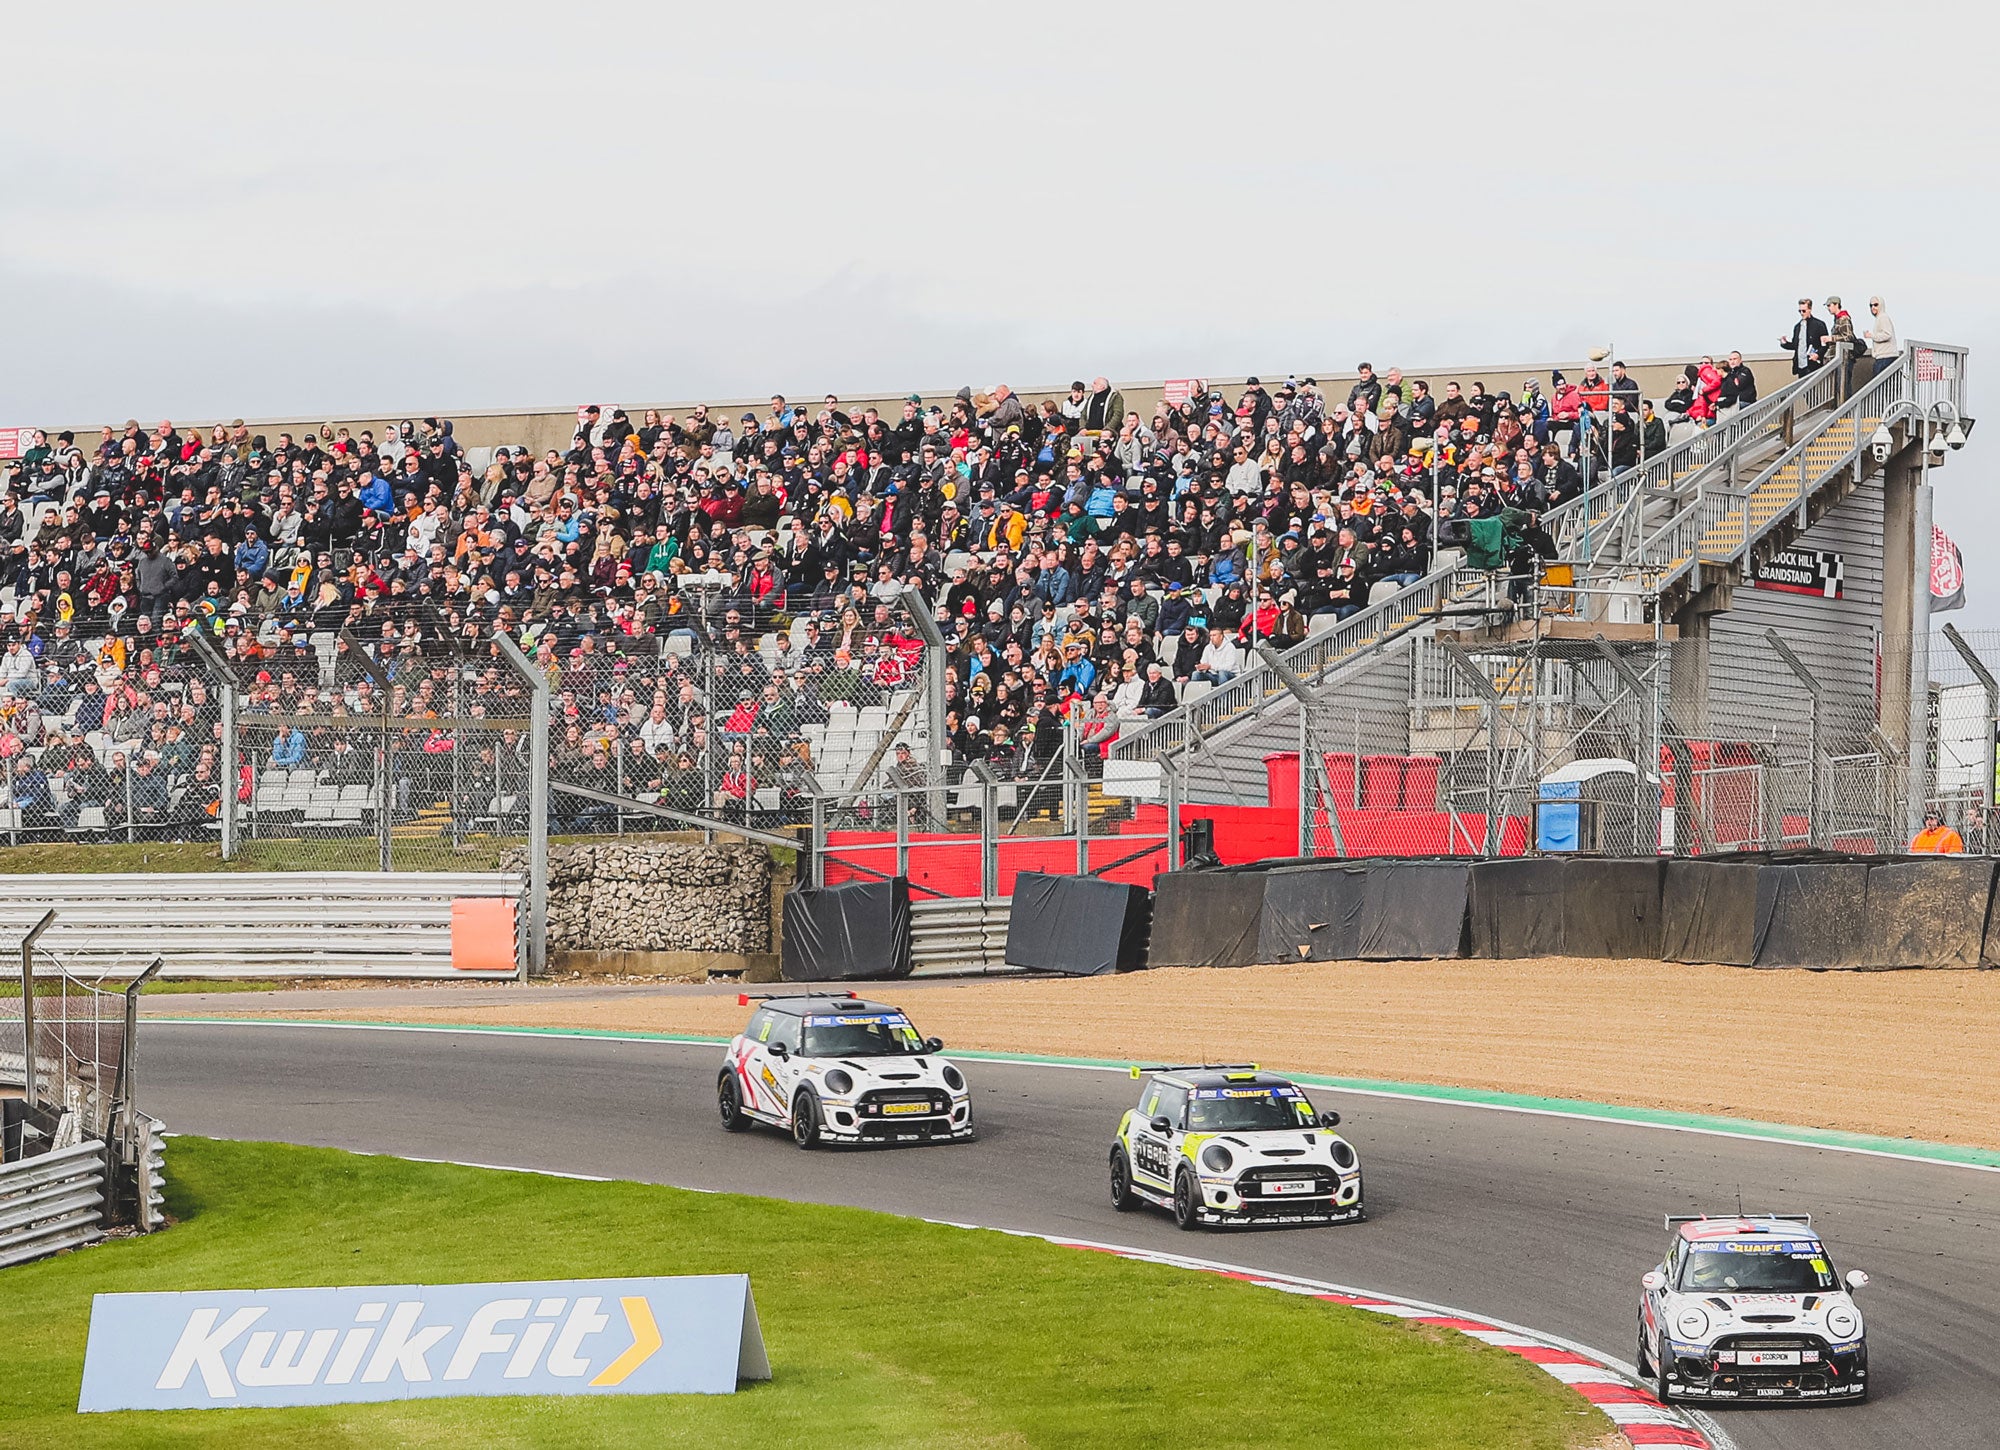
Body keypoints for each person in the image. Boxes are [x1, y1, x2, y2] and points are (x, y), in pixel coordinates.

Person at [1778, 298, 1829, 376]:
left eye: (1804, 311)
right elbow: (1796, 346)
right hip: (1800, 366)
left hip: (1814, 365)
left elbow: (1825, 345)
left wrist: (1818, 355)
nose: (1801, 313)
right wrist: (1784, 343)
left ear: (1810, 309)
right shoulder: (1797, 327)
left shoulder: (1819, 325)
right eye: (1800, 311)